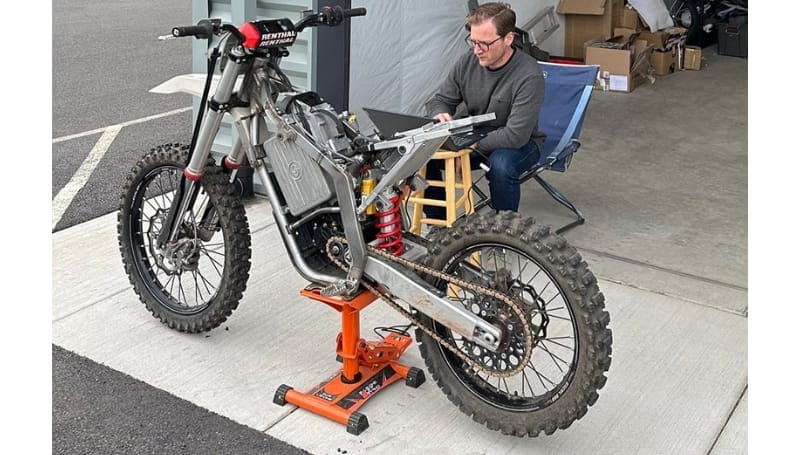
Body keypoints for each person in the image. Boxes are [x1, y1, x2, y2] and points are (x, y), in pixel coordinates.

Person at [423, 2, 545, 218]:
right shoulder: (468, 61)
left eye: (485, 44)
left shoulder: (529, 75)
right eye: (473, 41)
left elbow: (515, 135)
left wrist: (468, 146)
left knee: (501, 165)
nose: (477, 50)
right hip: (474, 138)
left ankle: (504, 233)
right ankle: (438, 227)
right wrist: (438, 114)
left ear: (508, 39)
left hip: (522, 144)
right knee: (420, 153)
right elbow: (440, 99)